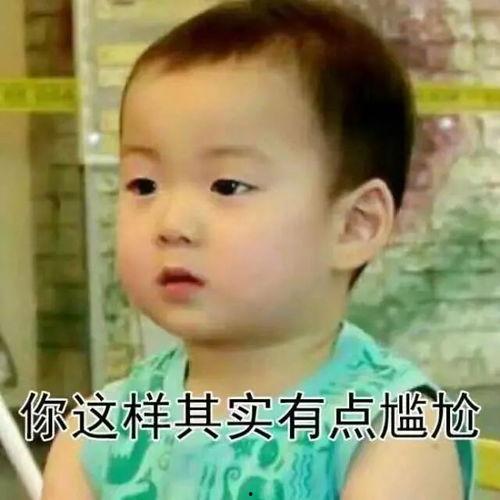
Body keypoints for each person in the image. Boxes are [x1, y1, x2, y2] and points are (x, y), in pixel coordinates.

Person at [42, 1, 475, 498]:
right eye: (144, 185)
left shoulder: (395, 431)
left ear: (354, 226)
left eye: (227, 186)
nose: (172, 224)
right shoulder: (97, 432)